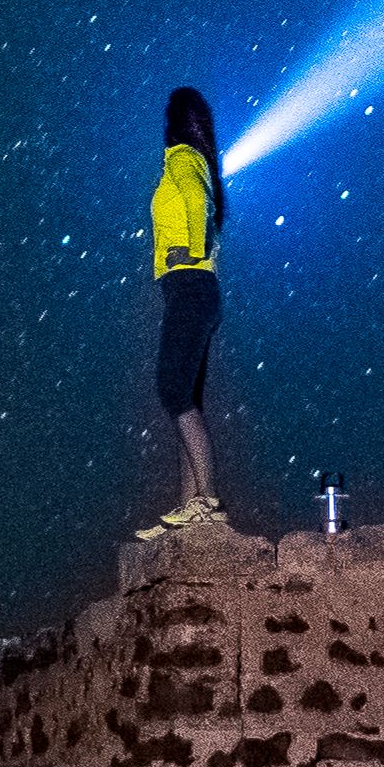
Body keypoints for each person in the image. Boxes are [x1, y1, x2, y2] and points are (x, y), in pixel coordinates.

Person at [144, 83, 227, 530]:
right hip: (191, 290)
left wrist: (185, 248)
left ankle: (207, 498)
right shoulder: (199, 163)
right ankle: (188, 506)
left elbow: (194, 204)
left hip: (190, 284)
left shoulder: (181, 159)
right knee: (184, 397)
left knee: (173, 390)